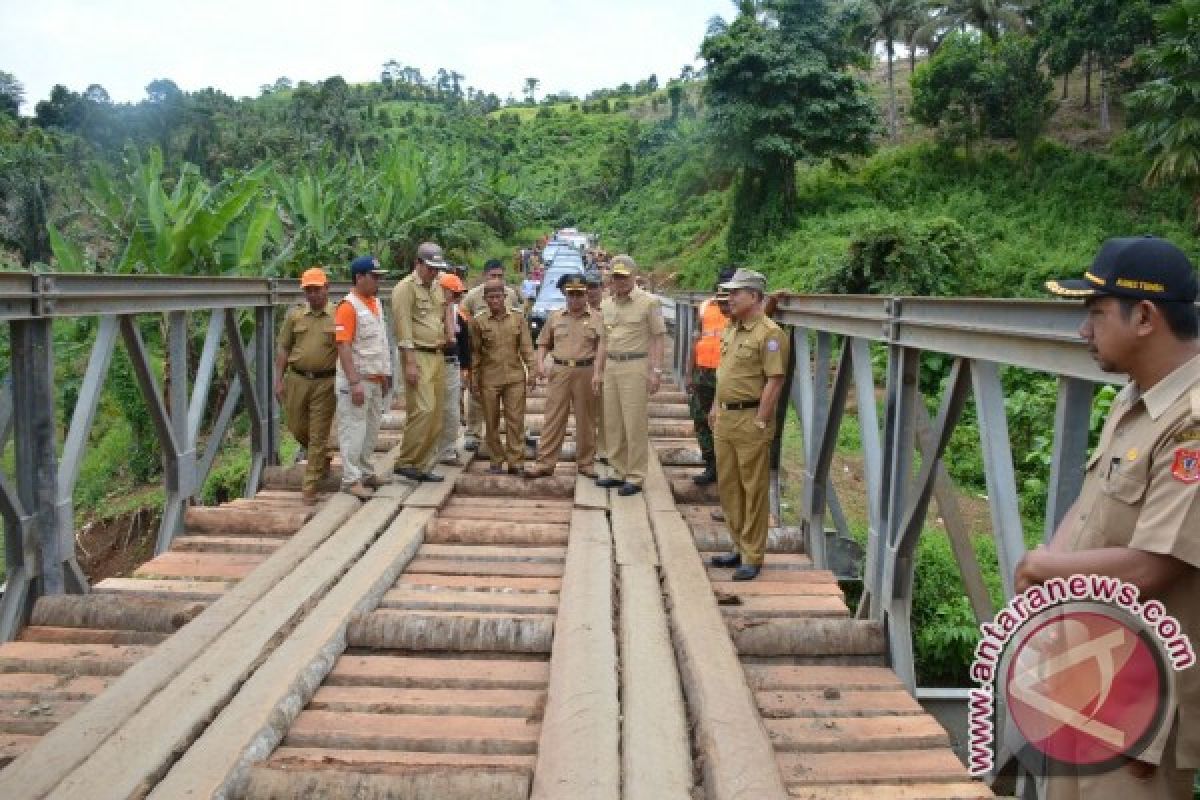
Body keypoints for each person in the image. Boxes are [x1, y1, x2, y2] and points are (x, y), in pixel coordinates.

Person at [1015, 235, 1200, 799]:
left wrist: (1038, 569)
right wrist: (1046, 573)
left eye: (1095, 313)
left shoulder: (1191, 422)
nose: (1083, 330)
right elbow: (1090, 502)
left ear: (1143, 316)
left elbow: (1153, 566)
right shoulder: (1134, 398)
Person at [707, 269, 788, 581]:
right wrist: (715, 405)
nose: (729, 298)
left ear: (753, 297)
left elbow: (775, 380)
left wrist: (761, 421)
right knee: (729, 486)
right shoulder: (733, 328)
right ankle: (738, 546)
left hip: (750, 418)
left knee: (753, 488)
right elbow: (724, 373)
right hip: (726, 418)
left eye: (735, 293)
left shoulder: (770, 334)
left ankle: (753, 555)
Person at [592, 254, 667, 496]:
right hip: (612, 366)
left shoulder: (649, 303)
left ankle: (635, 475)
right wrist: (597, 371)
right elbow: (603, 340)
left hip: (636, 366)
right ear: (610, 279)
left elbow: (658, 337)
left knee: (634, 422)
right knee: (612, 421)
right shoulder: (606, 304)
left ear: (634, 277)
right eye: (616, 277)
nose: (620, 281)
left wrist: (656, 371)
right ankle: (617, 470)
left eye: (624, 277)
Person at [526, 274, 602, 479]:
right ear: (565, 295)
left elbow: (601, 348)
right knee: (553, 417)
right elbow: (543, 343)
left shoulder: (597, 318)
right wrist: (540, 364)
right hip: (560, 371)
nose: (575, 299)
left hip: (585, 371)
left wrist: (598, 373)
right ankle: (545, 463)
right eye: (571, 295)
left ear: (586, 295)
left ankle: (586, 463)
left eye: (579, 294)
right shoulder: (556, 317)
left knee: (586, 419)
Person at [273, 267, 337, 505]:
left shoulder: (338, 314)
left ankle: (310, 487)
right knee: (296, 426)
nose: (313, 295)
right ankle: (323, 458)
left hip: (325, 381)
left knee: (318, 433)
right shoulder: (295, 316)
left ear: (327, 288)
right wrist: (278, 379)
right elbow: (283, 348)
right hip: (297, 379)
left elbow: (345, 347)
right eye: (308, 290)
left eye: (317, 289)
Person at [391, 241, 453, 483]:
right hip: (417, 354)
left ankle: (423, 464)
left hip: (437, 354)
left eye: (437, 269)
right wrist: (409, 363)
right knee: (423, 409)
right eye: (430, 268)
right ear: (417, 264)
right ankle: (406, 460)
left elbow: (442, 313)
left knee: (436, 413)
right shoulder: (405, 289)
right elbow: (403, 328)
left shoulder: (436, 287)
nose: (434, 273)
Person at [334, 256, 392, 500]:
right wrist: (354, 381)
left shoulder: (375, 303)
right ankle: (350, 478)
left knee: (371, 428)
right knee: (353, 429)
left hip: (375, 377)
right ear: (359, 277)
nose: (378, 281)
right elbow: (343, 346)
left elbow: (380, 341)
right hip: (358, 380)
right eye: (374, 276)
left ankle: (367, 472)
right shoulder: (348, 307)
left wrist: (386, 373)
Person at [469, 278, 536, 474]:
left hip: (515, 377)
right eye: (491, 297)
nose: (495, 300)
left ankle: (516, 461)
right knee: (491, 421)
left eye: (498, 296)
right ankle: (496, 460)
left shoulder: (518, 318)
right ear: (485, 299)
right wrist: (473, 379)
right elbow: (475, 353)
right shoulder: (478, 321)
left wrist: (532, 370)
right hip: (489, 378)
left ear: (505, 297)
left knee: (515, 420)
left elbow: (526, 347)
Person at [462, 259, 523, 452]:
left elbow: (518, 323)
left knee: (509, 403)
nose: (497, 279)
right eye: (493, 276)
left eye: (500, 276)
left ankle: (503, 441)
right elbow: (462, 322)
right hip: (480, 352)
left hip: (506, 355)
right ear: (484, 276)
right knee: (475, 395)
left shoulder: (511, 294)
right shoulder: (472, 296)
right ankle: (473, 433)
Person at [688, 268, 736, 486]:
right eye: (722, 285)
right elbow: (697, 338)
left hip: (726, 373)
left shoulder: (740, 308)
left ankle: (726, 469)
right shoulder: (706, 306)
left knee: (723, 421)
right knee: (700, 418)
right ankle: (711, 464)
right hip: (702, 372)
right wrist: (689, 372)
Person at [436, 271, 470, 467]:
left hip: (451, 363)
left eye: (459, 295)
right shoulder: (431, 311)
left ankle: (447, 449)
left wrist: (465, 370)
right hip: (431, 363)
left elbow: (465, 345)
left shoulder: (460, 315)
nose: (456, 298)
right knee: (429, 410)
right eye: (454, 294)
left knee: (451, 409)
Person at [585, 272, 608, 464]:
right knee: (585, 410)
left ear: (602, 287)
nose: (591, 291)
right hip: (583, 368)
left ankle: (605, 450)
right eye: (588, 287)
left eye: (595, 287)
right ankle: (586, 448)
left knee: (606, 410)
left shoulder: (609, 309)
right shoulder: (577, 310)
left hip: (606, 367)